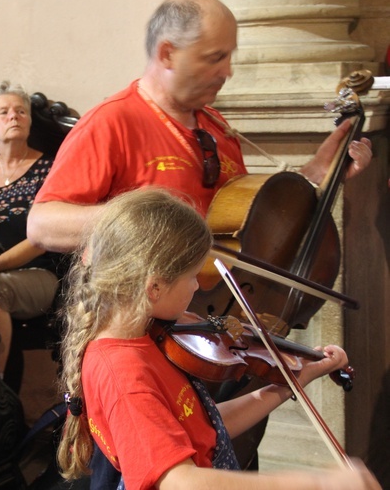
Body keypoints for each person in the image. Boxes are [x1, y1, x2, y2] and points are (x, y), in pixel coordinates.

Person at [56, 188, 380, 490]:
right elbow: (180, 481)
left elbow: (203, 429)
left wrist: (287, 384)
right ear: (153, 287)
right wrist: (319, 484)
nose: (197, 287)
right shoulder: (125, 376)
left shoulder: (149, 338)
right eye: (193, 276)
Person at [26, 0, 373, 253]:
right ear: (167, 54)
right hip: (144, 319)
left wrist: (316, 174)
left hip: (217, 313)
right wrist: (142, 221)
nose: (228, 71)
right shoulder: (112, 120)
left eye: (229, 56)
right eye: (214, 58)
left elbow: (240, 219)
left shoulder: (216, 125)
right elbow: (41, 225)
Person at [0, 81, 60, 380]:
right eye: (3, 112)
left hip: (41, 274)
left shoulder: (50, 169)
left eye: (21, 111)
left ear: (30, 122)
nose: (14, 117)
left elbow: (41, 240)